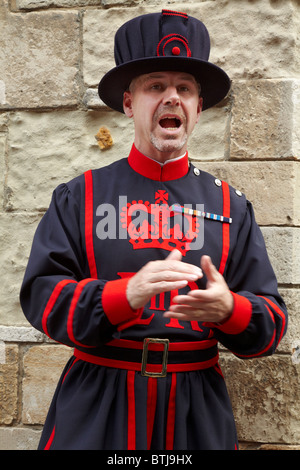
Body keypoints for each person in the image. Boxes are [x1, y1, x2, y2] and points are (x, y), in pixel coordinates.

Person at [20, 9, 288, 450]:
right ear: (129, 103)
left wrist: (230, 310)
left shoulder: (232, 207)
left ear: (199, 108)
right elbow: (42, 299)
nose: (172, 98)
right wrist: (120, 298)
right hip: (96, 405)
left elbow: (271, 324)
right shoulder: (79, 195)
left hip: (195, 411)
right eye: (155, 86)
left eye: (184, 88)